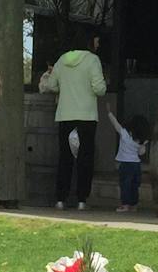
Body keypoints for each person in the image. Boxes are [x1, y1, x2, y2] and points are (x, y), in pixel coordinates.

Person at [39, 33, 107, 209]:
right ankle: (82, 199)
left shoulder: (61, 60)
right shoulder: (93, 60)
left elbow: (52, 85)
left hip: (65, 115)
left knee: (65, 158)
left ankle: (61, 198)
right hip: (87, 117)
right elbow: (99, 89)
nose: (98, 42)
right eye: (96, 39)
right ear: (89, 41)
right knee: (85, 159)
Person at [107, 109, 150, 213]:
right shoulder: (141, 141)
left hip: (125, 164)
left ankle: (125, 205)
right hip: (136, 165)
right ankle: (133, 205)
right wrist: (142, 144)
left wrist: (109, 113)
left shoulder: (125, 134)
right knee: (134, 186)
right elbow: (141, 153)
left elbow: (115, 124)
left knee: (125, 185)